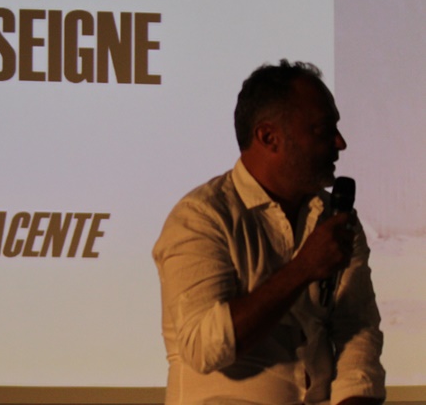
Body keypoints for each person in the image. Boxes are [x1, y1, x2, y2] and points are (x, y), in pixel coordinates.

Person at [152, 60, 385, 404]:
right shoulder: (201, 217)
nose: (340, 143)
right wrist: (303, 269)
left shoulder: (332, 216)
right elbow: (203, 348)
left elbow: (357, 327)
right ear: (268, 137)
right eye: (323, 130)